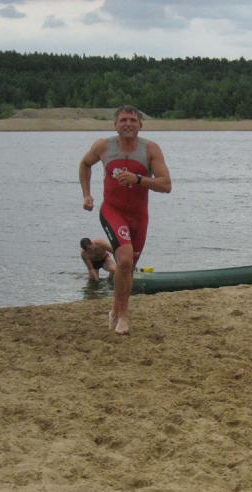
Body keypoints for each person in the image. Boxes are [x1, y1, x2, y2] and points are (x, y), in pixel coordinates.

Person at [79, 105, 172, 334]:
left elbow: (166, 185)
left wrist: (138, 179)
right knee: (124, 261)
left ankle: (114, 310)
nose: (128, 124)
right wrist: (86, 195)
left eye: (132, 120)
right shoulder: (103, 146)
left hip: (139, 217)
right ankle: (123, 316)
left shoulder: (150, 149)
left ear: (140, 124)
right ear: (115, 125)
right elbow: (85, 164)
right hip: (112, 211)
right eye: (123, 120)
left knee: (127, 268)